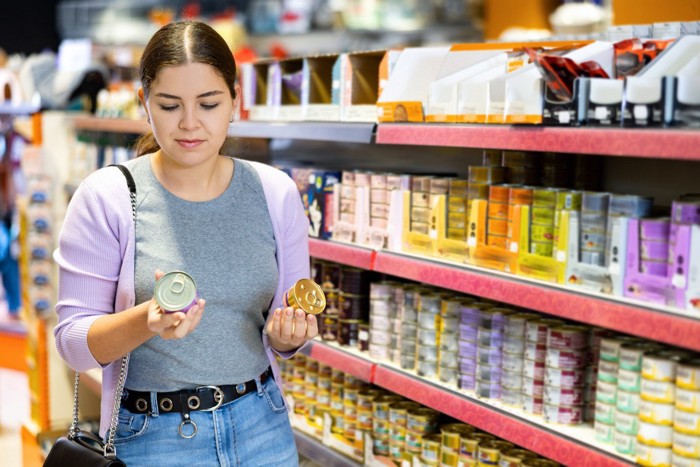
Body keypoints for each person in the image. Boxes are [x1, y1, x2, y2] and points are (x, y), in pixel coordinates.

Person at [53, 21, 317, 466]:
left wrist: (289, 336)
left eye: (209, 103)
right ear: (145, 103)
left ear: (236, 101)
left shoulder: (275, 193)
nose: (190, 123)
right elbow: (73, 344)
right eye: (170, 105)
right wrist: (147, 320)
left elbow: (293, 324)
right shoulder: (108, 198)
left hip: (262, 425)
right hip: (153, 437)